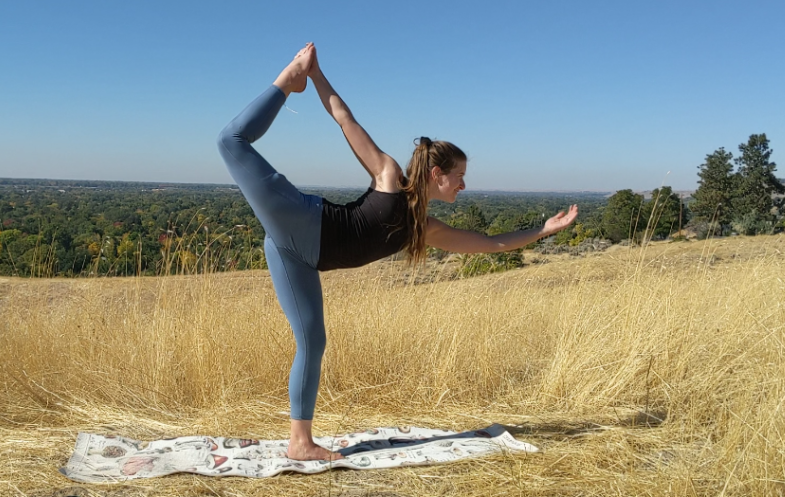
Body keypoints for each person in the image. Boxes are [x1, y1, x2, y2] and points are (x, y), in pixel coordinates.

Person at [217, 43, 578, 461]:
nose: (463, 185)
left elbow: (488, 244)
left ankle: (300, 442)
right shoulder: (389, 175)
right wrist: (312, 76)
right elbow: (343, 118)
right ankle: (287, 77)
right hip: (301, 221)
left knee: (312, 341)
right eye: (458, 176)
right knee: (231, 141)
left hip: (296, 255)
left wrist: (543, 230)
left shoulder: (424, 229)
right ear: (437, 174)